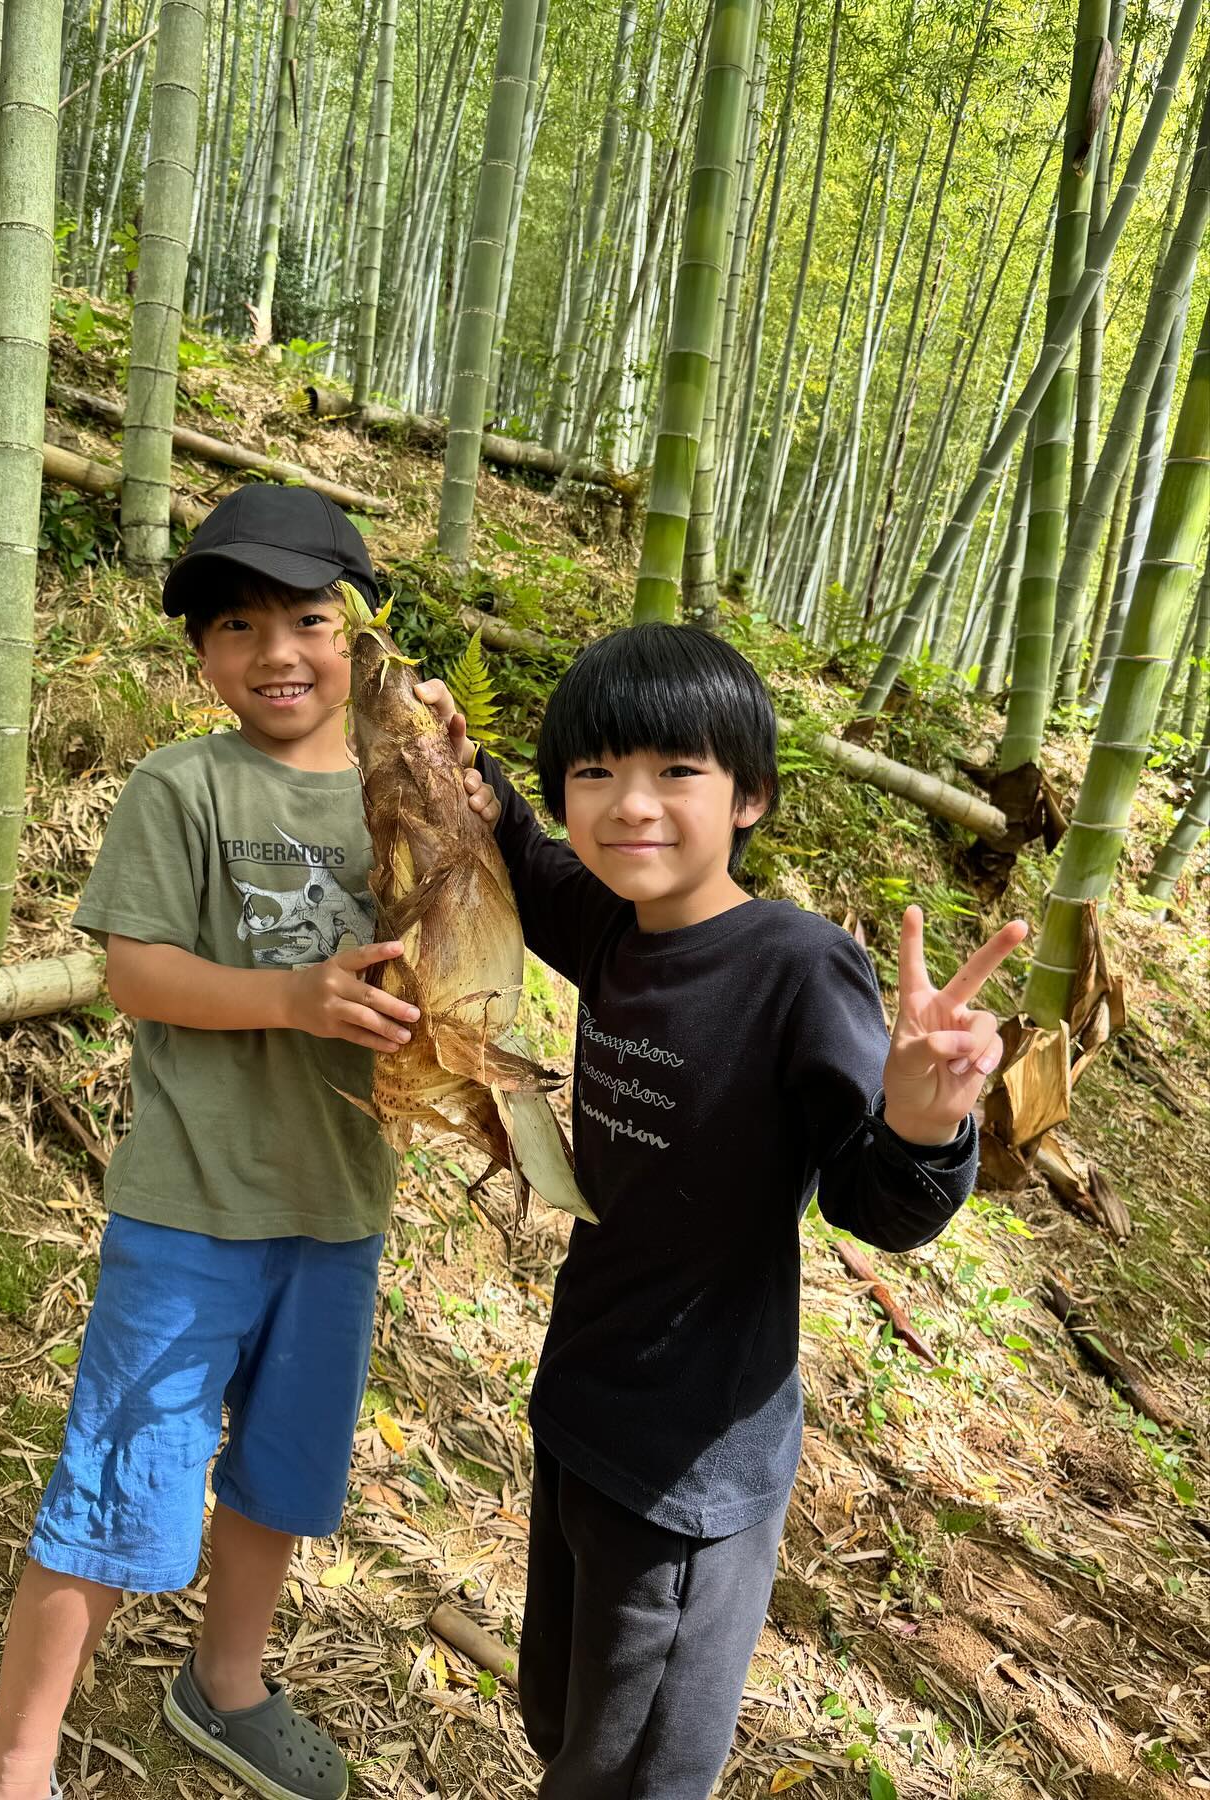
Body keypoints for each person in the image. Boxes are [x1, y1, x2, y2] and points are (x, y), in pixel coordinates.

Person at [415, 623, 1026, 1800]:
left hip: (690, 1470)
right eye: (597, 772)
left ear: (749, 796)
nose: (630, 805)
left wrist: (920, 1117)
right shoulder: (610, 929)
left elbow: (877, 1205)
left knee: (633, 1773)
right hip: (584, 1404)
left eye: (675, 772)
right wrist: (455, 757)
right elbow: (527, 859)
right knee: (559, 1717)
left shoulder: (796, 970)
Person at [0, 488, 435, 1800]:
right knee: (122, 1479)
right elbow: (135, 971)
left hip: (340, 1205)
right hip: (192, 1204)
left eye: (308, 618)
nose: (277, 650)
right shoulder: (186, 786)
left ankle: (223, 1687)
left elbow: (465, 951)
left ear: (361, 635)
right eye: (239, 624)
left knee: (281, 1478)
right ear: (204, 656)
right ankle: (17, 1756)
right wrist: (293, 994)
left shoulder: (411, 796)